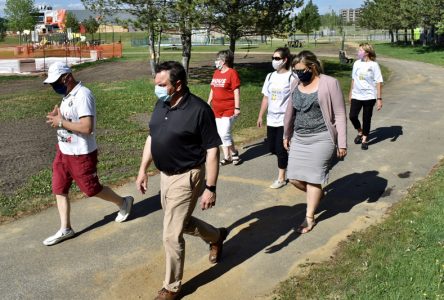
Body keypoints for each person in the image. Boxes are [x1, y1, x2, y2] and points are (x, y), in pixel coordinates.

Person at [136, 61, 228, 300]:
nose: (156, 88)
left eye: (161, 84)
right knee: (181, 223)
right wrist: (142, 169)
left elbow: (212, 151)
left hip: (188, 176)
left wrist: (210, 187)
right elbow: (151, 137)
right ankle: (216, 236)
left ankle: (171, 287)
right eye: (156, 83)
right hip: (165, 176)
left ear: (177, 84)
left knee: (170, 234)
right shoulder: (162, 103)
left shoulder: (199, 110)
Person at [44, 61, 133, 246]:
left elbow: (87, 127)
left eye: (55, 82)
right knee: (59, 188)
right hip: (63, 151)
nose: (53, 86)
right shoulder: (68, 94)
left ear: (67, 77)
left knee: (91, 189)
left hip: (81, 154)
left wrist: (61, 122)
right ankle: (66, 228)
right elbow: (70, 120)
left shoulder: (83, 95)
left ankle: (123, 202)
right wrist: (59, 117)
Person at [284, 51, 347, 234]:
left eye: (301, 70)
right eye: (295, 71)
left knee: (313, 179)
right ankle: (318, 194)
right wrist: (286, 134)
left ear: (312, 67)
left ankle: (309, 217)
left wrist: (341, 143)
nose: (298, 74)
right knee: (293, 178)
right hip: (300, 138)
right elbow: (290, 111)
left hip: (322, 138)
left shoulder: (329, 83)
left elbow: (340, 114)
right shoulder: (295, 83)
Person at [257, 47, 294, 189]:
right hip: (271, 118)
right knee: (272, 147)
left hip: (285, 119)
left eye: (277, 58)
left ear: (285, 60)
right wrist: (260, 115)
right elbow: (266, 97)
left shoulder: (291, 77)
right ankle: (290, 157)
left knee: (280, 148)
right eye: (273, 58)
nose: (274, 61)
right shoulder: (270, 76)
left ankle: (281, 178)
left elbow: (294, 99)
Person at [208, 49, 241, 166]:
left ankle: (234, 153)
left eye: (218, 59)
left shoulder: (232, 73)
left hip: (229, 108)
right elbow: (213, 89)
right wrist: (208, 103)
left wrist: (237, 107)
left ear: (224, 60)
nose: (216, 61)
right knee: (221, 133)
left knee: (224, 133)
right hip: (216, 109)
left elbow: (236, 91)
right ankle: (228, 156)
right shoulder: (216, 73)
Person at [349, 43, 383, 150]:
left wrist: (379, 99)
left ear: (366, 53)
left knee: (366, 118)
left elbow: (378, 82)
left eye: (360, 50)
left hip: (369, 96)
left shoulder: (374, 65)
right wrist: (351, 92)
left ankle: (364, 139)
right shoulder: (356, 63)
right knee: (352, 116)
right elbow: (353, 79)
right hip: (356, 95)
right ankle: (360, 131)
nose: (358, 52)